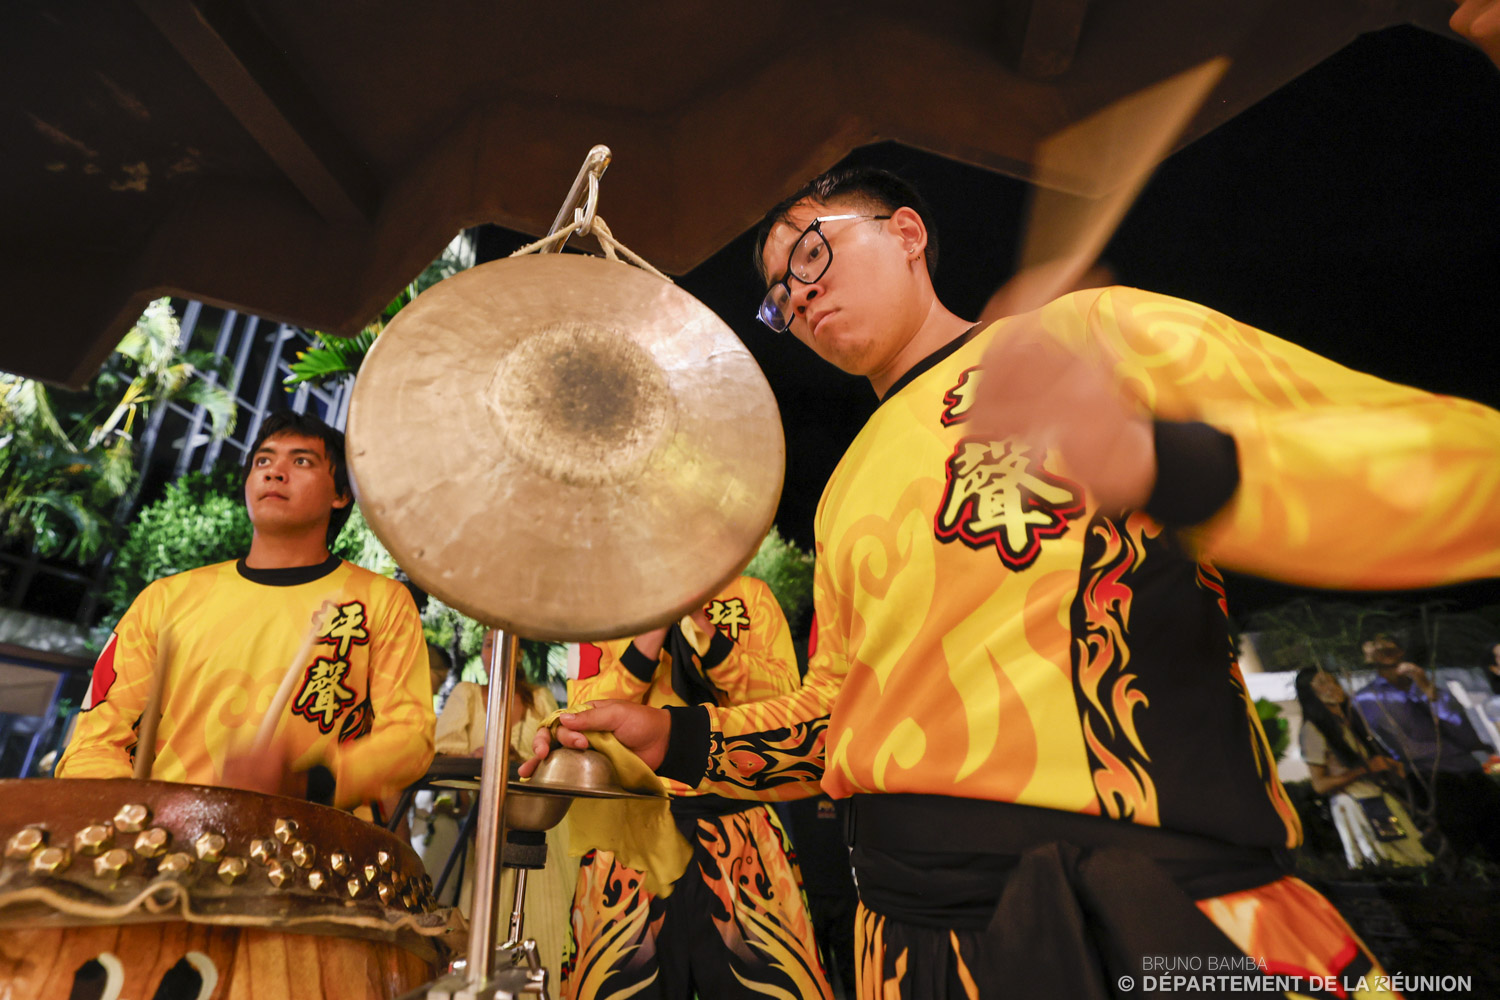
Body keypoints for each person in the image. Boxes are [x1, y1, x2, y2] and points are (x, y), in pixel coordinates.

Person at [525, 165, 1500, 999]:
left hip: (1157, 916)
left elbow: (1448, 471)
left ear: (907, 233)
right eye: (781, 294)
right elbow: (841, 717)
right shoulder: (845, 488)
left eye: (811, 252)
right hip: (903, 945)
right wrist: (680, 737)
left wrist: (1162, 462)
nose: (800, 294)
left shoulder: (1094, 336)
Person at [58, 411, 435, 813]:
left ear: (341, 493)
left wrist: (311, 781)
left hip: (310, 837)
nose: (274, 472)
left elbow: (411, 736)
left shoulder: (380, 601)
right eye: (263, 461)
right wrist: (129, 815)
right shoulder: (165, 599)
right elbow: (95, 739)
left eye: (301, 461)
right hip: (166, 836)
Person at [563, 576, 831, 1000]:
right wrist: (650, 636)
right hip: (631, 837)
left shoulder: (751, 596)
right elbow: (580, 713)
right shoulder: (600, 605)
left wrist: (706, 635)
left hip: (740, 828)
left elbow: (787, 707)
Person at [433, 630, 575, 986]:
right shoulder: (467, 694)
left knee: (546, 919)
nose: (493, 651)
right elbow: (442, 752)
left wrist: (521, 759)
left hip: (540, 824)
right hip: (489, 825)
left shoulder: (539, 698)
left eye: (502, 644)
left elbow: (560, 755)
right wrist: (477, 757)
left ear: (519, 652)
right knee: (488, 924)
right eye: (487, 644)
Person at [1353, 635, 1500, 862]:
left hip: (1466, 767)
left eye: (1388, 643)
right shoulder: (1367, 698)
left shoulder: (1428, 684)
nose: (1383, 648)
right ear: (1367, 656)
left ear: (1401, 651)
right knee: (1461, 842)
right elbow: (1389, 742)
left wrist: (1425, 688)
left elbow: (1462, 730)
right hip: (1428, 776)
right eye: (1375, 645)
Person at [1293, 667, 1430, 869]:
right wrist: (1365, 769)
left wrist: (1389, 767)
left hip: (1378, 797)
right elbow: (1320, 785)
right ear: (1309, 693)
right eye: (1322, 683)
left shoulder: (1350, 722)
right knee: (1387, 862)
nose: (1332, 687)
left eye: (1333, 680)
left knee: (1410, 857)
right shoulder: (1312, 730)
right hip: (1355, 803)